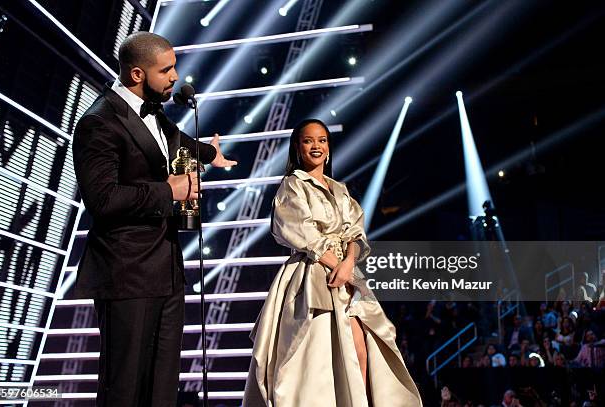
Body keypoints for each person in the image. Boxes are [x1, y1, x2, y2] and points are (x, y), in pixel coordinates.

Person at [72, 31, 236, 406]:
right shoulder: (99, 122)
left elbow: (176, 142)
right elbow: (102, 199)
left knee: (162, 387)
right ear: (136, 75)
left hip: (166, 270)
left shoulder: (156, 114)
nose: (176, 77)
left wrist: (211, 155)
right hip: (126, 273)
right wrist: (170, 190)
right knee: (125, 387)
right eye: (167, 70)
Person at [242, 119, 422, 406]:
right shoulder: (293, 185)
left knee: (363, 346)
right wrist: (334, 264)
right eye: (309, 140)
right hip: (312, 275)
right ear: (298, 147)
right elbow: (299, 231)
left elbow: (354, 230)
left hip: (346, 273)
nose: (316, 146)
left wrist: (348, 263)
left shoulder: (340, 188)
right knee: (317, 353)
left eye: (322, 140)